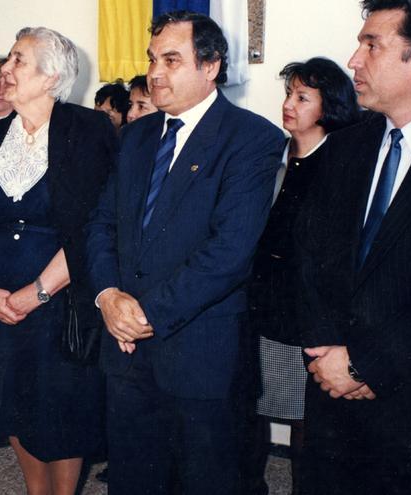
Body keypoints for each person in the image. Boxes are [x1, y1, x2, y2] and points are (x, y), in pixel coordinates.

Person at [85, 11, 284, 494]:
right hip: (126, 348)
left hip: (201, 356)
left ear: (210, 65)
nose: (155, 73)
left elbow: (229, 253)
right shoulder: (135, 136)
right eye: (153, 59)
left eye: (171, 60)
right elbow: (102, 224)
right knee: (133, 478)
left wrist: (144, 313)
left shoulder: (252, 139)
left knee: (207, 480)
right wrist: (108, 296)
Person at [293, 1, 411, 494]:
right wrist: (332, 357)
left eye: (372, 45)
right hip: (330, 395)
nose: (354, 60)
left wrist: (368, 363)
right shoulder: (346, 145)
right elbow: (311, 260)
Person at [0, 26, 116, 495]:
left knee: (62, 407)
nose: (5, 69)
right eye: (8, 58)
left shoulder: (89, 130)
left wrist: (37, 292)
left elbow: (91, 227)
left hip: (59, 298)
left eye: (19, 61)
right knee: (9, 402)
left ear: (52, 76)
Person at [243, 57, 359, 495]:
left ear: (328, 107)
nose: (288, 104)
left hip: (304, 319)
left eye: (302, 97)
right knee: (252, 408)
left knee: (304, 422)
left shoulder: (341, 161)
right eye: (288, 94)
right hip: (261, 308)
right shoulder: (276, 155)